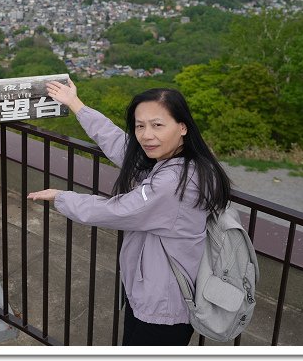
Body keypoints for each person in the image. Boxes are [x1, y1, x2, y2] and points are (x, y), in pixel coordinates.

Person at [27, 79, 231, 346]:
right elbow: (118, 143)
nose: (147, 135)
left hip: (163, 305)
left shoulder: (173, 182)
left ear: (182, 127)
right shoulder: (181, 161)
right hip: (154, 291)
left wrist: (62, 197)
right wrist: (76, 104)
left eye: (158, 125)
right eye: (140, 126)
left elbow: (119, 210)